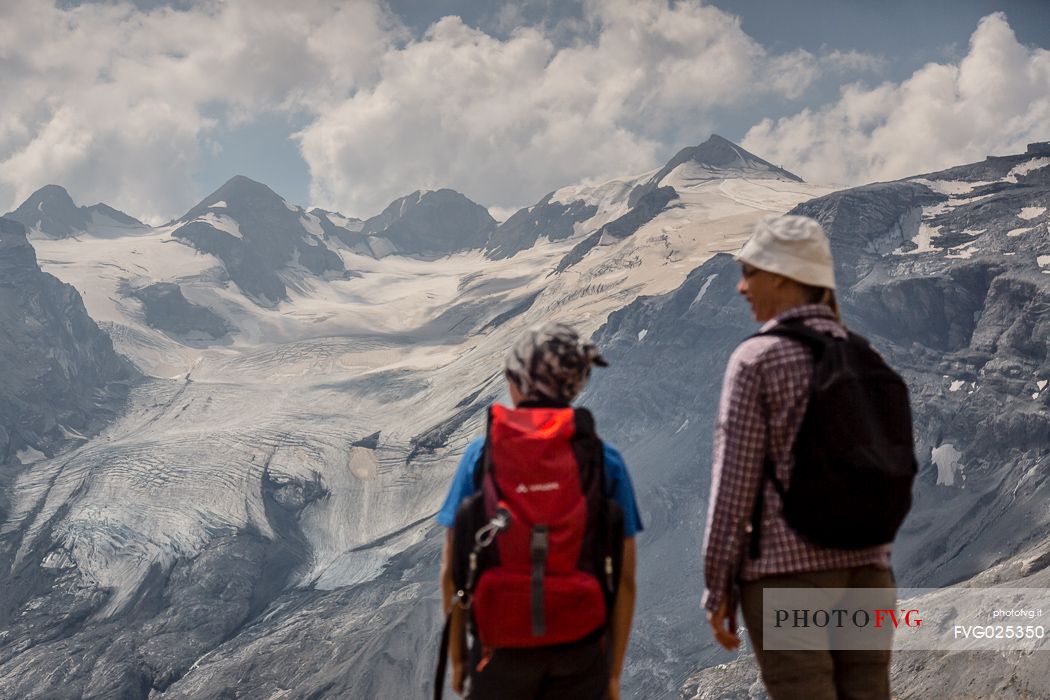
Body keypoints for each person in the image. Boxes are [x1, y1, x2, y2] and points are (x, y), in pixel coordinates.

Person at [702, 215, 898, 699]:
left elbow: (734, 487)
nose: (741, 288)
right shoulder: (867, 355)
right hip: (870, 572)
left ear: (784, 277)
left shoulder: (758, 359)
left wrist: (717, 589)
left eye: (751, 273)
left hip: (787, 575)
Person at [437, 322, 643, 700]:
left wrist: (459, 659)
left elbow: (452, 572)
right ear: (574, 386)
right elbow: (625, 580)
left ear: (517, 382)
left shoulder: (480, 458)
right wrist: (612, 674)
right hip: (580, 655)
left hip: (498, 654)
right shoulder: (604, 460)